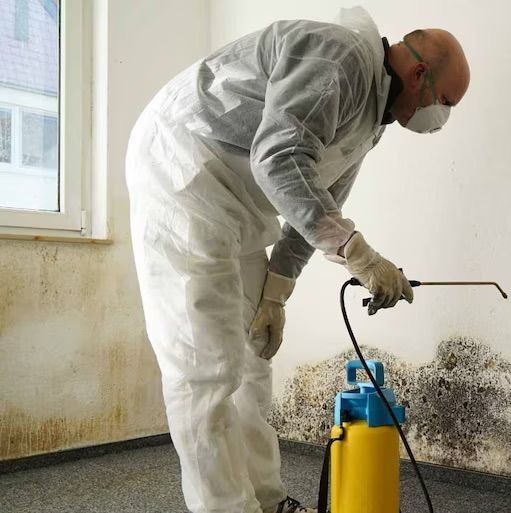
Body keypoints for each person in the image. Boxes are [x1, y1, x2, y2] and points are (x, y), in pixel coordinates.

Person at [125, 7, 470, 513]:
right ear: (419, 74)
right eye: (444, 102)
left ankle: (267, 501)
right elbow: (278, 159)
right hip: (184, 174)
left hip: (236, 205)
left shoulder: (372, 118)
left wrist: (276, 292)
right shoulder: (341, 60)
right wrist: (359, 254)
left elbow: (319, 200)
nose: (440, 118)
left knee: (251, 361)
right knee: (206, 370)